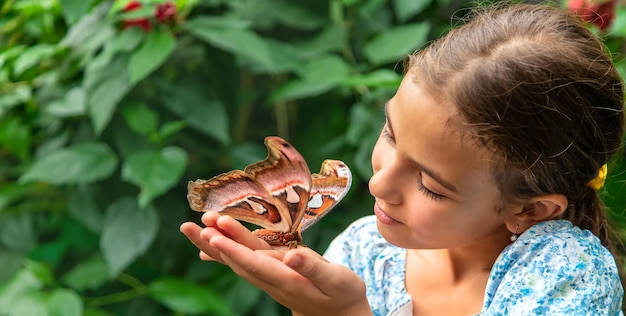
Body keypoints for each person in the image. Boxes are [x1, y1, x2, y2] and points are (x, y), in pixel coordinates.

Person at [180, 3, 625, 315]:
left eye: (430, 184)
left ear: (528, 208)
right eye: (390, 134)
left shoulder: (567, 278)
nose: (377, 185)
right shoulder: (366, 250)